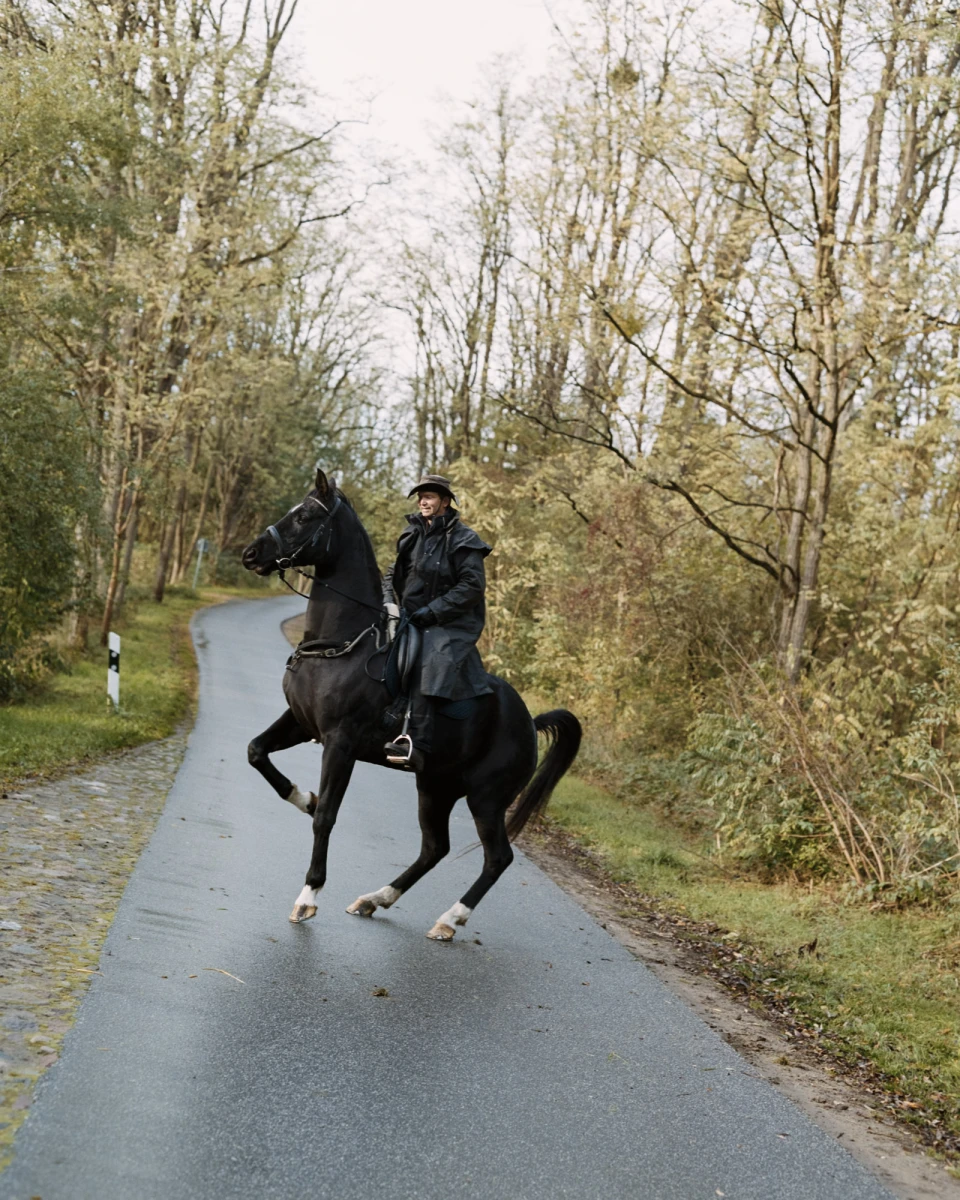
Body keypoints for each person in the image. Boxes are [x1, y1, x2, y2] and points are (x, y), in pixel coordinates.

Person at [382, 474, 492, 771]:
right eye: (420, 496)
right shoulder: (412, 533)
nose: (423, 501)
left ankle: (415, 742)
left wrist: (433, 611)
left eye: (429, 496)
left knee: (430, 658)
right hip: (409, 615)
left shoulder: (464, 539)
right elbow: (393, 574)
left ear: (445, 501)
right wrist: (388, 602)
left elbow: (471, 587)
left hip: (450, 623)